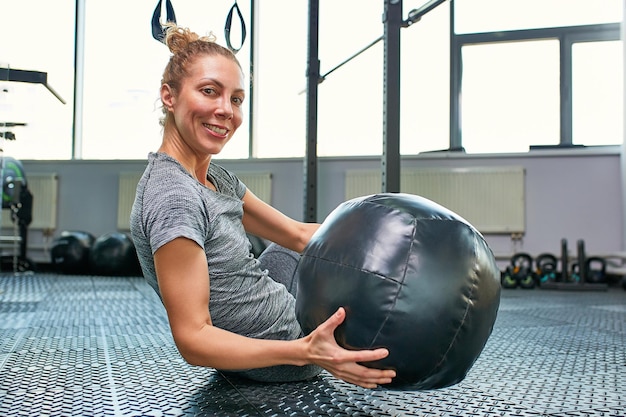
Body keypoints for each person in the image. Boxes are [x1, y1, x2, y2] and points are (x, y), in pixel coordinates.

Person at [130, 24, 396, 389]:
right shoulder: (174, 198)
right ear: (169, 96)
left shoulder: (215, 177)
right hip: (285, 353)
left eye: (236, 99)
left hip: (276, 319)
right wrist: (307, 351)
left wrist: (379, 236)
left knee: (299, 244)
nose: (226, 110)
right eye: (209, 91)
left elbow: (298, 235)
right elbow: (193, 339)